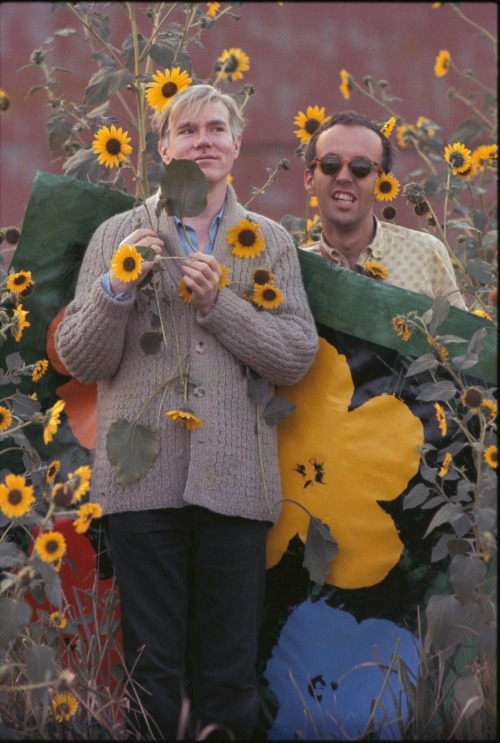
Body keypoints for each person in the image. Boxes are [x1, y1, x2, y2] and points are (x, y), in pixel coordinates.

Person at [54, 84, 318, 740]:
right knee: (151, 668)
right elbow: (79, 357)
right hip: (140, 483)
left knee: (228, 673)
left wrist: (219, 305)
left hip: (236, 485)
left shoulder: (269, 241)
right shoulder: (118, 233)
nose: (203, 139)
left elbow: (294, 355)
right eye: (188, 129)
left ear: (236, 145)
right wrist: (117, 288)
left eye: (217, 129)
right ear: (165, 145)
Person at [301, 110, 467, 310]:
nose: (343, 176)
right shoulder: (295, 268)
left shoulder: (424, 254)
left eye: (360, 167)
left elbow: (459, 337)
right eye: (330, 164)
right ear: (310, 181)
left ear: (381, 185)